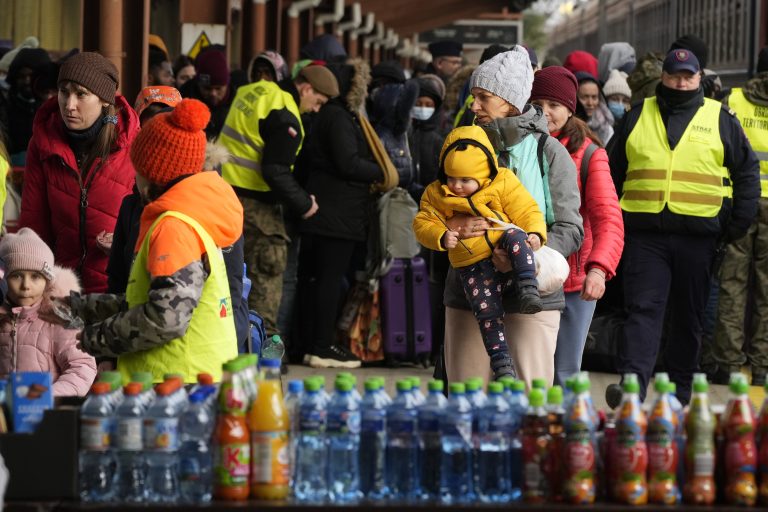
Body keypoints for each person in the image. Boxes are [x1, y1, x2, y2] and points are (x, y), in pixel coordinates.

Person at [606, 49, 760, 406]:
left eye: (687, 77)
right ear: (663, 77)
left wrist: (736, 224)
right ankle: (632, 389)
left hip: (700, 237)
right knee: (643, 310)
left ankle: (680, 392)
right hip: (645, 235)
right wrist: (612, 221)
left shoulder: (720, 117)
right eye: (674, 76)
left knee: (689, 317)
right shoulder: (637, 116)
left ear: (698, 79)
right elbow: (611, 171)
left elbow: (747, 172)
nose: (680, 83)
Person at [442, 47, 584, 387]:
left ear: (509, 101)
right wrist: (452, 226)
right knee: (466, 405)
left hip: (531, 297)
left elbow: (570, 227)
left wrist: (528, 255)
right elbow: (435, 206)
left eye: (483, 97)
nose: (474, 106)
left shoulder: (549, 151)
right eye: (474, 97)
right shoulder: (460, 145)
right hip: (467, 291)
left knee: (527, 408)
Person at [72, 99, 241, 383]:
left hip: (175, 383)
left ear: (153, 174)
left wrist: (96, 339)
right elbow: (145, 300)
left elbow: (166, 318)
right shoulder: (191, 215)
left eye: (136, 169)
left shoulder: (173, 227)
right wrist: (76, 307)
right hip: (190, 378)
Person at [414, 125, 547, 380]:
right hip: (472, 261)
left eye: (465, 180)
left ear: (484, 173)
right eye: (451, 178)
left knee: (517, 237)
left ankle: (527, 286)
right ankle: (501, 362)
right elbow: (423, 223)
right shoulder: (436, 194)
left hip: (501, 238)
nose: (457, 185)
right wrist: (442, 235)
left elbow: (526, 209)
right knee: (486, 310)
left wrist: (535, 233)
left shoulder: (503, 181)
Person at [219, 64, 338, 337]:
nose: (316, 109)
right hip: (257, 206)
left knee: (230, 282)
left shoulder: (253, 91)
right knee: (266, 282)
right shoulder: (286, 115)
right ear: (306, 88)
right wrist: (305, 204)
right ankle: (263, 359)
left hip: (225, 196)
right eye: (317, 101)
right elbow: (275, 170)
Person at [529, 66, 625, 386]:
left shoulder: (589, 155)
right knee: (530, 370)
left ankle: (569, 433)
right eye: (537, 104)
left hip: (574, 283)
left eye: (553, 105)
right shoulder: (520, 148)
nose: (545, 113)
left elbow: (608, 218)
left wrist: (599, 269)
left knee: (566, 372)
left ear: (570, 108)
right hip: (529, 277)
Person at [19, 51, 139, 294]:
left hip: (116, 291)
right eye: (64, 91)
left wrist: (122, 245)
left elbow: (152, 227)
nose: (69, 105)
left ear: (105, 100)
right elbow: (34, 223)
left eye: (81, 94)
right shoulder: (43, 143)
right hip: (60, 289)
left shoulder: (134, 146)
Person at [297, 58, 383, 368]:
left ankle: (308, 344)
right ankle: (321, 346)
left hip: (326, 210)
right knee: (328, 282)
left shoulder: (328, 115)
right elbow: (347, 162)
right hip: (336, 214)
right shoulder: (338, 118)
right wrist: (382, 171)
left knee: (317, 280)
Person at [704, 47, 768, 386]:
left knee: (732, 285)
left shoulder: (734, 99)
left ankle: (728, 363)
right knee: (766, 292)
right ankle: (762, 367)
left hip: (740, 202)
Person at [0, 228, 96, 396]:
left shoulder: (59, 318)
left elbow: (82, 367)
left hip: (46, 414)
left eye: (35, 277)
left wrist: (48, 396)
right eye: (16, 276)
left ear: (47, 280)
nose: (26, 285)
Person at [0, 47, 51, 166]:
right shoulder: (5, 106)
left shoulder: (53, 108)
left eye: (31, 76)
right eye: (22, 76)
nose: (27, 81)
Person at [179, 48, 232, 139]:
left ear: (226, 85)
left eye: (218, 88)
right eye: (207, 88)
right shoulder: (183, 98)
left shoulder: (238, 100)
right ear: (198, 84)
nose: (213, 94)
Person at [575, 72, 614, 144]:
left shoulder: (606, 128)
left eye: (594, 97)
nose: (590, 103)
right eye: (584, 97)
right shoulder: (564, 125)